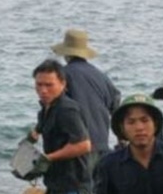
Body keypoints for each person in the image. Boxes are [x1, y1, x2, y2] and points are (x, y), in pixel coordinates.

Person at [24, 59, 92, 194]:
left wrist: (48, 158)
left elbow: (83, 145)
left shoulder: (67, 109)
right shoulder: (45, 109)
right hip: (55, 184)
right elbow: (38, 130)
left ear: (62, 84)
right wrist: (30, 139)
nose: (43, 90)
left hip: (72, 187)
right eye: (39, 85)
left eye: (49, 85)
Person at [51, 29, 121, 168]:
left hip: (78, 149)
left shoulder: (63, 76)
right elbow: (117, 109)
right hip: (102, 147)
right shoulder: (101, 76)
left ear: (66, 54)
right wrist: (122, 140)